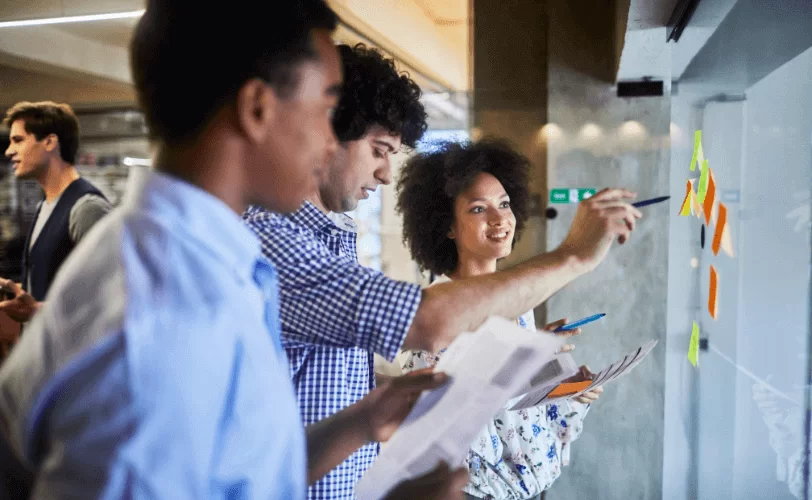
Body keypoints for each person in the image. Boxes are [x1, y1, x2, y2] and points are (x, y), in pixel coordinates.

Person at [0, 1, 467, 498]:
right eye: (325, 113)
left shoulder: (213, 264)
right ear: (257, 109)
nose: (331, 144)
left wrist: (363, 422)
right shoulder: (168, 306)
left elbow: (239, 473)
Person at [244, 43, 643, 499]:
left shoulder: (329, 241)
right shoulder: (272, 243)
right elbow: (426, 322)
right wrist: (572, 255)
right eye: (379, 150)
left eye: (505, 204)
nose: (385, 174)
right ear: (324, 134)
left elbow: (321, 382)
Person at [397, 139, 605, 500]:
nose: (500, 219)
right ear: (448, 226)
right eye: (479, 209)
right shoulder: (440, 311)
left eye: (505, 204)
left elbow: (514, 404)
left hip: (532, 488)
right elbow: (435, 422)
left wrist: (562, 386)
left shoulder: (517, 300)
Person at [0, 101, 111, 323]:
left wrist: (39, 311)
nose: (9, 151)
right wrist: (19, 292)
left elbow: (110, 291)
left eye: (18, 140)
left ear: (50, 142)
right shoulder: (45, 206)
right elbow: (50, 284)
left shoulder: (86, 207)